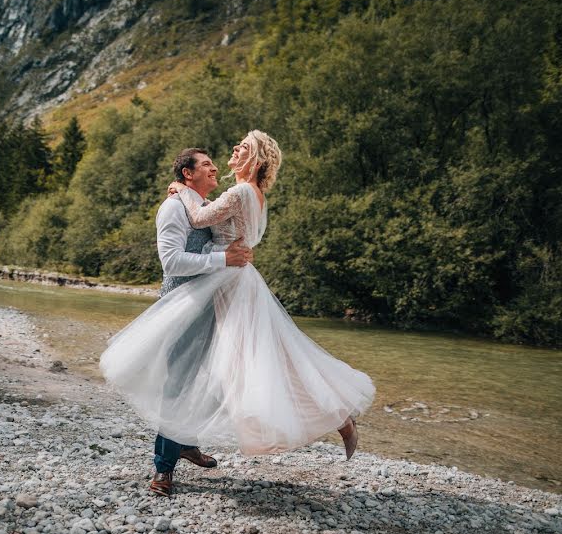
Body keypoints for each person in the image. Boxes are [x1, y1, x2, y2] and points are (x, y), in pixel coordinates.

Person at [101, 131, 374, 494]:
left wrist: (182, 192)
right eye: (207, 163)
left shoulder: (239, 193)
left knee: (242, 367)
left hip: (226, 287)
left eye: (241, 148)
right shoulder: (236, 196)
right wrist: (186, 198)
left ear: (256, 161)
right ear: (189, 173)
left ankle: (337, 415)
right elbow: (181, 248)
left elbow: (199, 219)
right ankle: (181, 446)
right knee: (241, 366)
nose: (227, 154)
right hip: (220, 287)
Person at [131, 147, 254, 497]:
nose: (214, 168)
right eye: (205, 164)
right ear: (188, 174)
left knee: (212, 378)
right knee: (179, 384)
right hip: (181, 307)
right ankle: (163, 468)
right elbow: (171, 262)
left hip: (211, 306)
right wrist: (223, 258)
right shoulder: (172, 208)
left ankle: (185, 442)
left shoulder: (199, 207)